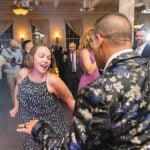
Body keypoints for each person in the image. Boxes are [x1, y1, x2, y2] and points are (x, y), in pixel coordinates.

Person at [17, 13, 150, 150]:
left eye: (92, 42)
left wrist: (38, 128)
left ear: (99, 40)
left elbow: (71, 147)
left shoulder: (96, 91)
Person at [10, 44, 75, 149]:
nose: (46, 60)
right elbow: (18, 87)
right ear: (31, 58)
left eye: (49, 58)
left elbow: (71, 100)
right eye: (41, 56)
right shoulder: (22, 74)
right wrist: (16, 107)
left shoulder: (53, 80)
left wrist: (78, 124)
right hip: (27, 128)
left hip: (50, 131)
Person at [1, 39, 23, 103]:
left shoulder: (19, 51)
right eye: (12, 45)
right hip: (9, 72)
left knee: (19, 87)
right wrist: (6, 61)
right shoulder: (4, 51)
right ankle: (14, 102)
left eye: (15, 45)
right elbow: (2, 62)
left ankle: (20, 100)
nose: (14, 46)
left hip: (17, 71)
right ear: (9, 44)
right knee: (12, 89)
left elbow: (21, 61)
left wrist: (16, 62)